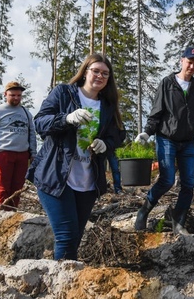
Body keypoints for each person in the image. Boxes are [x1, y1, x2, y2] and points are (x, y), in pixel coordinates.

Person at [27, 53, 125, 260]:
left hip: (87, 182)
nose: (100, 76)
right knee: (66, 236)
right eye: (95, 71)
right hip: (56, 176)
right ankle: (61, 284)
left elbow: (117, 135)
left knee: (76, 237)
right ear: (85, 72)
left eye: (105, 74)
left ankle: (63, 276)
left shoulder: (107, 106)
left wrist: (105, 143)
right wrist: (67, 118)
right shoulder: (64, 93)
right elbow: (40, 123)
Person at [134, 46, 194, 235]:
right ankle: (144, 211)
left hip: (188, 142)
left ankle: (178, 222)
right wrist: (147, 132)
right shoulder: (167, 84)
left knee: (189, 183)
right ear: (182, 61)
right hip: (166, 139)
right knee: (167, 179)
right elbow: (156, 111)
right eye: (189, 62)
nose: (192, 66)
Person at [0, 81, 37, 211]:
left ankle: (13, 212)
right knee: (3, 186)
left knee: (17, 186)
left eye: (19, 95)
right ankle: (1, 213)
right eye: (12, 95)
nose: (16, 98)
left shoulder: (26, 113)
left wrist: (33, 153)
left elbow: (32, 134)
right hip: (3, 153)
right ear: (5, 94)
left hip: (22, 154)